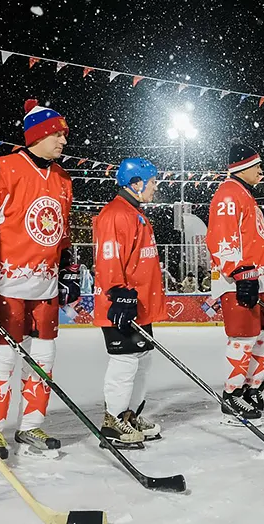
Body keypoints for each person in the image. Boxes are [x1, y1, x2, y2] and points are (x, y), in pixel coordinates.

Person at [0, 99, 74, 459]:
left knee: (44, 355)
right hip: (4, 283)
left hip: (44, 286)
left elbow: (61, 230)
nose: (63, 141)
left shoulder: (62, 178)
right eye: (57, 134)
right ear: (38, 134)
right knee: (1, 358)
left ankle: (31, 425)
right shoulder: (1, 168)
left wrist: (69, 265)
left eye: (64, 135)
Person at [205, 143, 264, 425]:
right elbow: (220, 238)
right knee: (243, 337)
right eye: (257, 164)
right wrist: (238, 272)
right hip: (237, 281)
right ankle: (232, 394)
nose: (261, 170)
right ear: (242, 167)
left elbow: (254, 240)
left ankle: (251, 390)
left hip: (255, 278)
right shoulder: (228, 193)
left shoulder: (246, 195)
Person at [92, 158, 165, 448]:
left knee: (143, 360)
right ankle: (113, 420)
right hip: (121, 305)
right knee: (124, 362)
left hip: (140, 304)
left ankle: (130, 415)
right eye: (152, 181)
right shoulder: (115, 214)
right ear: (136, 184)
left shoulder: (136, 213)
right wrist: (119, 294)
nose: (155, 186)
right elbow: (109, 258)